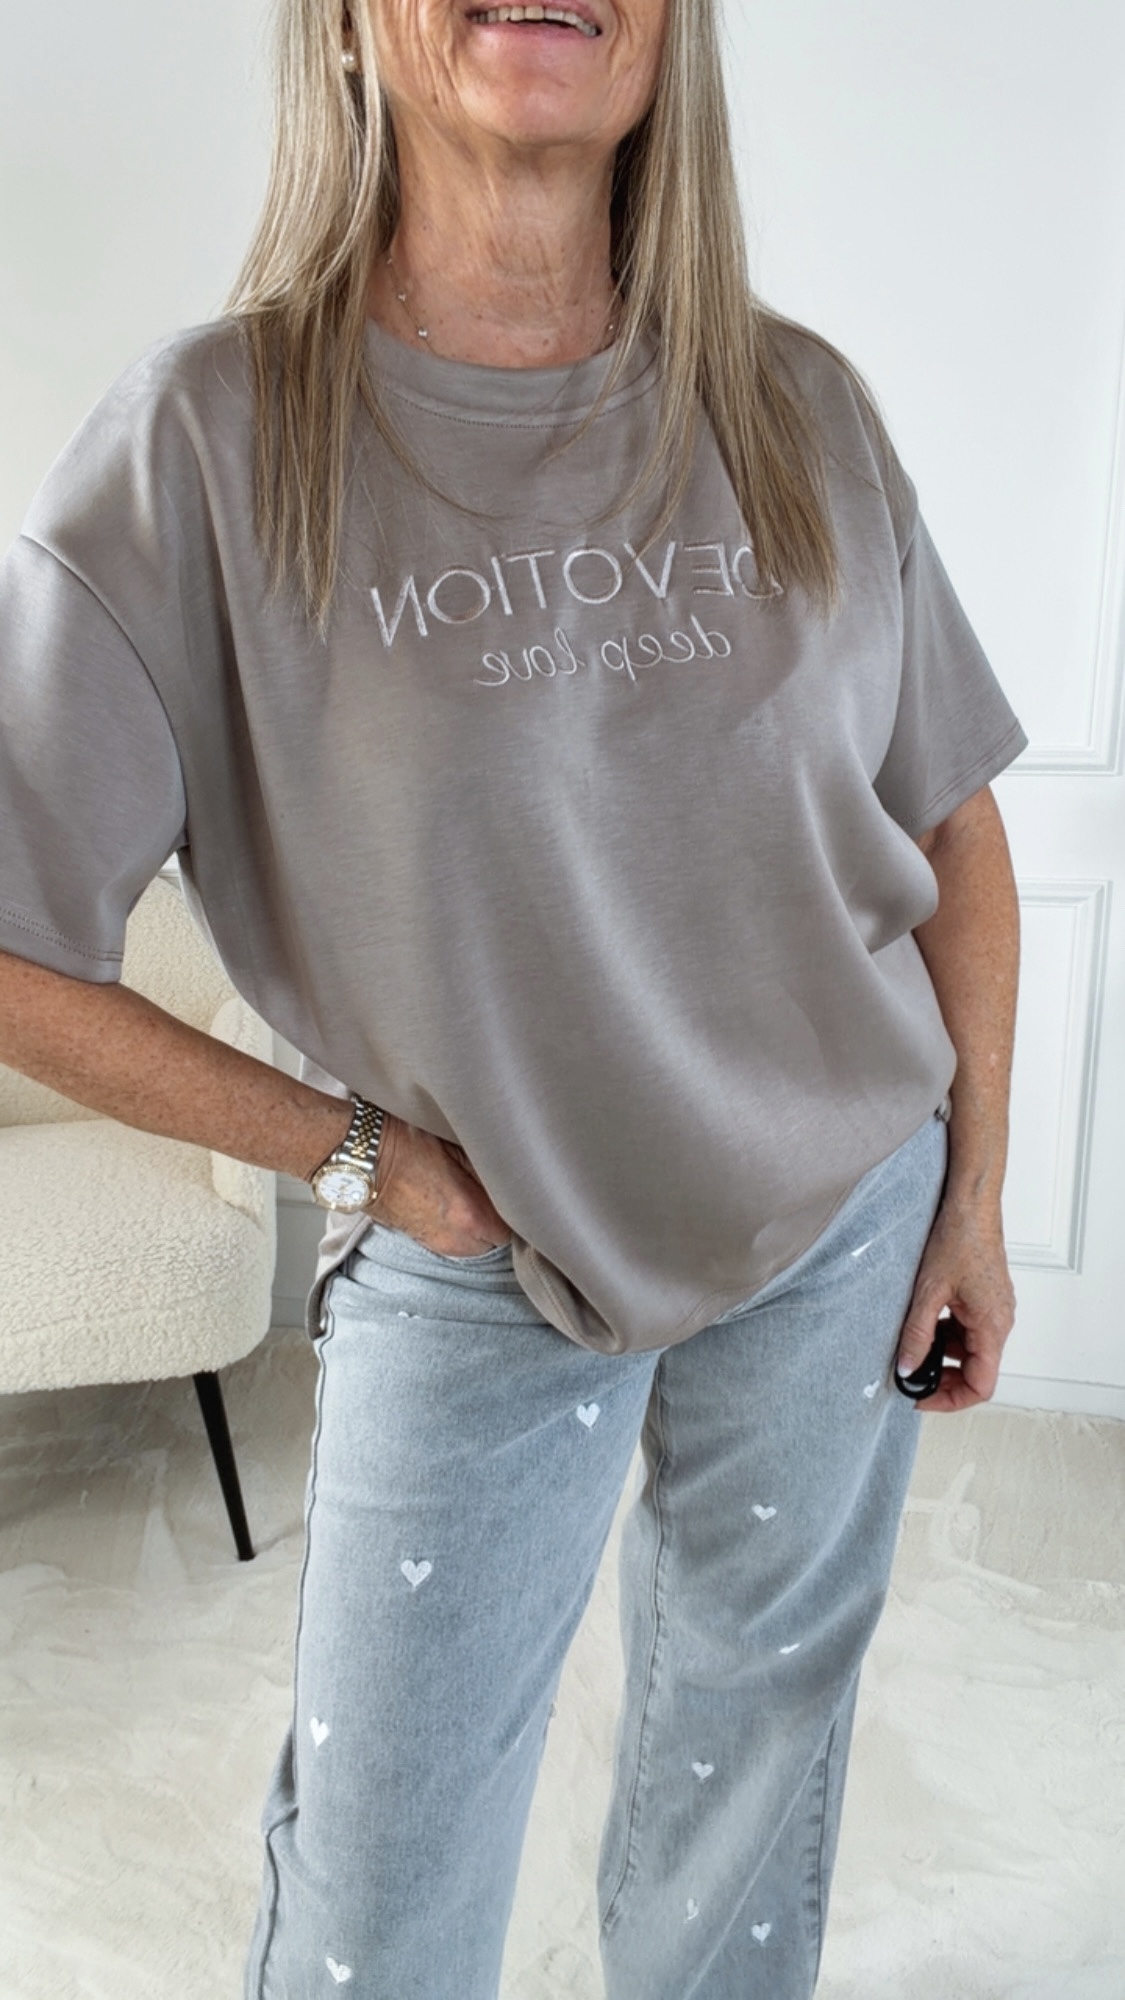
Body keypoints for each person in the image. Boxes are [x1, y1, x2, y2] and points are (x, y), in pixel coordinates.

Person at [0, 1, 1025, 1993]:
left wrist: (970, 1194)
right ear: (343, 30)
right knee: (382, 1883)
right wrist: (359, 1158)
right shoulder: (204, 440)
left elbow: (950, 822)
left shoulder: (796, 406)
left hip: (841, 1217)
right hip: (473, 1248)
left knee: (752, 1767)